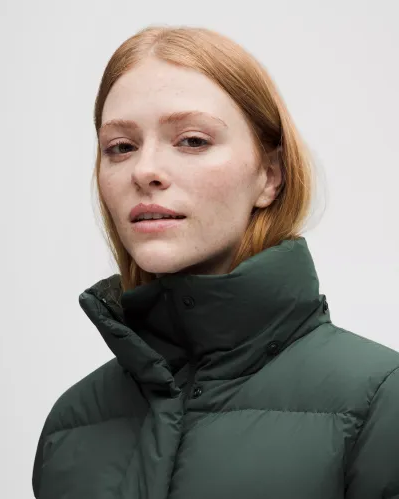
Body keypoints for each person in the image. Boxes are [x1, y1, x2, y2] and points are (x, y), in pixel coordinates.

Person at [32, 26, 399, 499]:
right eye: (120, 147)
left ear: (270, 175)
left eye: (191, 140)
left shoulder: (380, 400)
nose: (145, 170)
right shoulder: (69, 428)